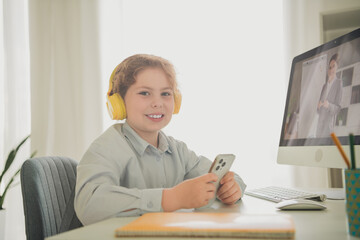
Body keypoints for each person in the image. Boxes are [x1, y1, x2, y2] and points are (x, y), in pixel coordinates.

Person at [74, 54, 246, 225]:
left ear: (176, 101)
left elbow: (219, 176)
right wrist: (169, 198)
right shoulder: (106, 147)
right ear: (118, 102)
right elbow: (88, 205)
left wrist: (231, 187)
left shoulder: (177, 150)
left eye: (165, 93)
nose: (157, 102)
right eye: (144, 93)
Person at [316, 53, 342, 138]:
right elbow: (318, 111)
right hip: (319, 128)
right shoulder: (324, 86)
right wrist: (319, 107)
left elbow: (338, 108)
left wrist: (329, 105)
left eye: (333, 66)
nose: (331, 69)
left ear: (337, 67)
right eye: (330, 67)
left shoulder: (339, 83)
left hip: (328, 128)